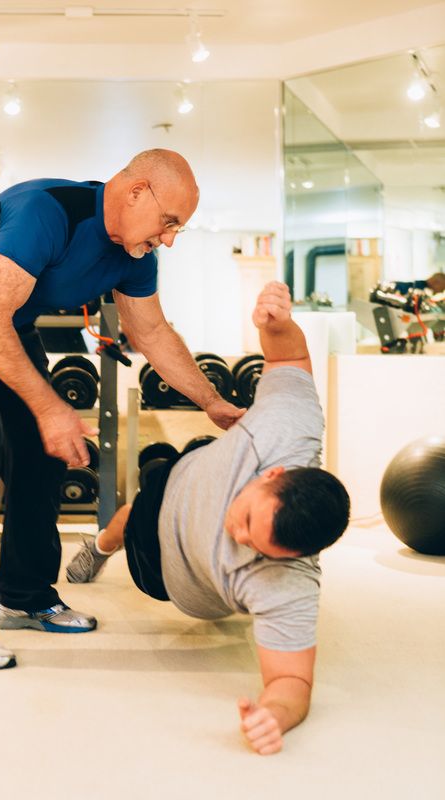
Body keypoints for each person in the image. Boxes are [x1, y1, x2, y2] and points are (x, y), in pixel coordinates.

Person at [0, 148, 243, 671]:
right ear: (136, 192)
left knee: (44, 452)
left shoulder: (136, 256)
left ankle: (23, 595)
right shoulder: (48, 212)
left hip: (5, 322)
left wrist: (213, 401)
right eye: (168, 221)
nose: (169, 238)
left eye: (178, 228)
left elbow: (151, 332)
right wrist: (49, 408)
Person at [67, 281, 351, 755]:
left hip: (169, 564)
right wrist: (277, 324)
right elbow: (289, 359)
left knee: (132, 518)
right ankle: (98, 548)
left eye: (256, 546)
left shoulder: (286, 582)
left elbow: (291, 681)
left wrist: (275, 715)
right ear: (273, 474)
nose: (237, 533)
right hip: (187, 475)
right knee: (135, 503)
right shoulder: (288, 430)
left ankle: (109, 542)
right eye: (248, 519)